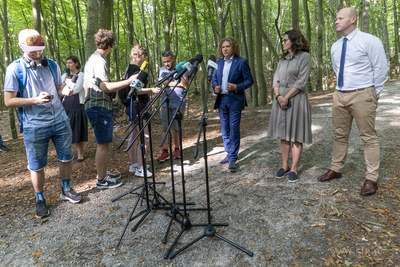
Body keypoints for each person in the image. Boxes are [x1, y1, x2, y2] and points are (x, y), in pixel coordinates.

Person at [4, 29, 82, 218]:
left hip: (60, 120)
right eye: (33, 51)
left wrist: (66, 91)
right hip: (34, 125)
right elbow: (9, 101)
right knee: (37, 165)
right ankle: (40, 198)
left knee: (66, 157)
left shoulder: (52, 65)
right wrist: (35, 100)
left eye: (40, 50)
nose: (38, 54)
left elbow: (58, 89)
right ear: (22, 47)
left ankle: (66, 189)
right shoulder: (14, 69)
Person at [316, 7, 389, 196]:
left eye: (340, 18)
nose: (336, 21)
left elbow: (381, 69)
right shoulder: (335, 46)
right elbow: (336, 68)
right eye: (336, 18)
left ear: (353, 19)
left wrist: (374, 94)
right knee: (340, 135)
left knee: (368, 137)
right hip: (340, 95)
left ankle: (371, 178)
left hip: (362, 93)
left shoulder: (370, 41)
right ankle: (336, 169)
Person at [83, 29, 136, 189]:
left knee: (103, 143)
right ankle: (101, 180)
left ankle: (103, 174)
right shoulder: (99, 61)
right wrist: (128, 82)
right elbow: (104, 87)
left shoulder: (93, 58)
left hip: (96, 105)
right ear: (110, 46)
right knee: (103, 144)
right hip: (99, 106)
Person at [267, 30, 312, 183]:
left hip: (297, 99)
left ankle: (294, 168)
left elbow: (301, 82)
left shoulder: (304, 57)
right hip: (280, 100)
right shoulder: (282, 60)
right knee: (284, 134)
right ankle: (284, 166)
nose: (283, 42)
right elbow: (276, 81)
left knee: (296, 134)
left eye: (285, 40)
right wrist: (278, 97)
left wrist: (285, 97)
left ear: (294, 41)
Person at [212, 37, 254, 172]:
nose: (225, 49)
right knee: (224, 129)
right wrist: (215, 88)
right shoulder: (218, 63)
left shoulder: (241, 62)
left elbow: (249, 81)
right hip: (222, 99)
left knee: (233, 128)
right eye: (223, 47)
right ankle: (229, 153)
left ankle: (232, 158)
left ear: (233, 47)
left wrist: (236, 86)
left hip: (235, 99)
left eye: (228, 46)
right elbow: (214, 80)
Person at [118, 44, 161, 177]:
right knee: (145, 137)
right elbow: (136, 90)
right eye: (144, 57)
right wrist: (152, 90)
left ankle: (134, 164)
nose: (144, 59)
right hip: (138, 106)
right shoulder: (138, 72)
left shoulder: (127, 70)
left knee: (134, 135)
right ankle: (140, 168)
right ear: (142, 56)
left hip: (129, 108)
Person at [157, 51, 189, 162]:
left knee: (177, 128)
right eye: (164, 62)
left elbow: (185, 84)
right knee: (165, 128)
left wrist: (180, 75)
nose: (166, 64)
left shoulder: (182, 68)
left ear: (173, 59)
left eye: (168, 61)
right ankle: (165, 151)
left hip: (179, 102)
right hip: (166, 102)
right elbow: (164, 83)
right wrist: (177, 83)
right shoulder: (162, 70)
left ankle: (177, 149)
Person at [61, 56, 87, 162]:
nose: (68, 65)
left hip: (77, 106)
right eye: (67, 63)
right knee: (65, 131)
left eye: (70, 63)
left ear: (76, 63)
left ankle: (80, 154)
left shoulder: (81, 75)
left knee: (78, 130)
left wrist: (67, 86)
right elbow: (60, 90)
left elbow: (77, 89)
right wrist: (64, 83)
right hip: (65, 106)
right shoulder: (64, 76)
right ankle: (66, 153)